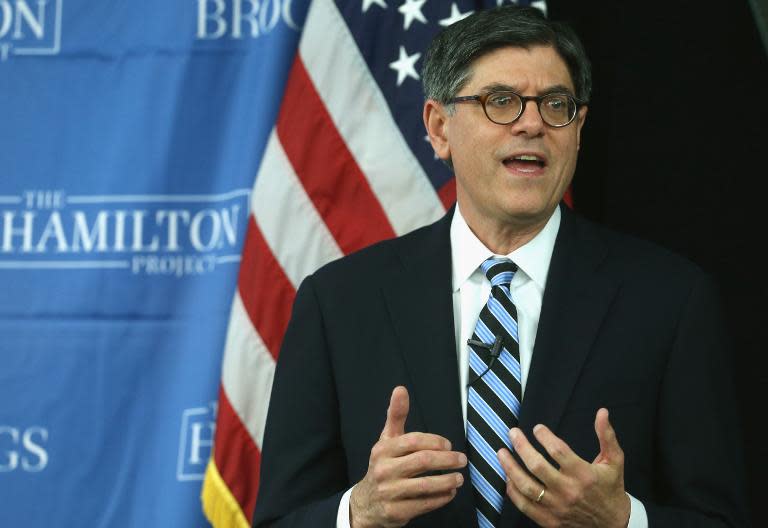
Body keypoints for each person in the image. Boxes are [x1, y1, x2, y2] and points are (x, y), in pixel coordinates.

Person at [252, 6, 750, 528]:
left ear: (578, 130)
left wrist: (623, 521)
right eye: (501, 102)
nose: (533, 123)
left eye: (556, 104)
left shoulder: (670, 299)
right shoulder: (338, 303)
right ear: (439, 127)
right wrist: (359, 512)